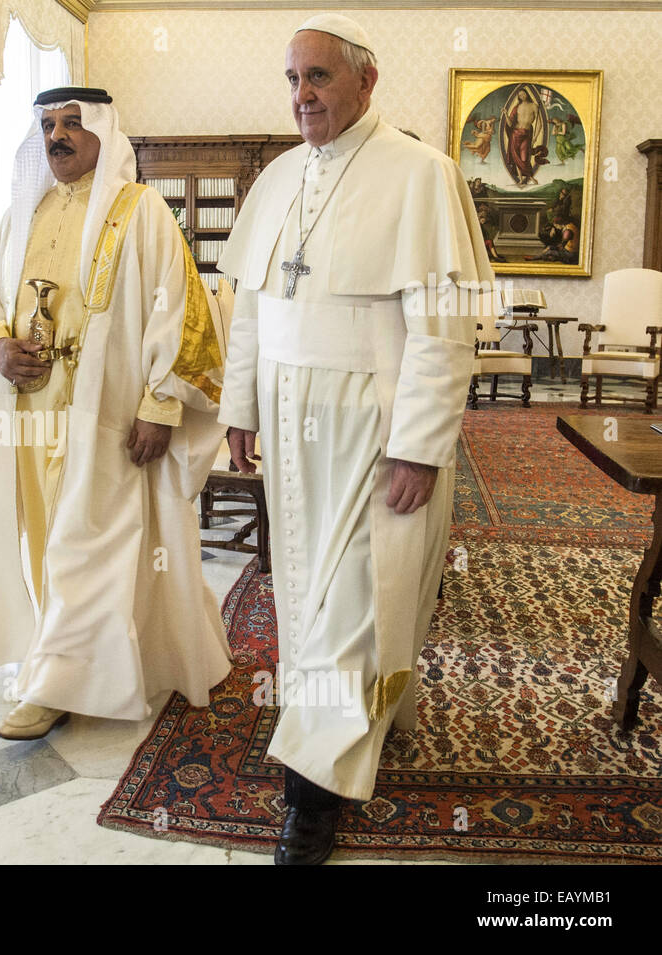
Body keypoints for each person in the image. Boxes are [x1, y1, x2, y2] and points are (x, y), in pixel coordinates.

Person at [217, 14, 492, 864]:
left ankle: (312, 792)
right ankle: (344, 719)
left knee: (357, 594)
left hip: (372, 423)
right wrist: (241, 406)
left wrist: (419, 443)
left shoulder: (422, 174)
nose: (302, 95)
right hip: (291, 421)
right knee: (307, 596)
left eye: (320, 78)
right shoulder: (277, 176)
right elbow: (255, 304)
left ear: (367, 82)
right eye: (293, 79)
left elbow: (444, 327)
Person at [0, 87, 230, 740]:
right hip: (32, 414)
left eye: (73, 123)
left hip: (107, 416)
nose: (57, 136)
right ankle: (94, 656)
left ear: (104, 132)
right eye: (48, 124)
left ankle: (55, 684)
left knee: (87, 544)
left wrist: (161, 404)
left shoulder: (142, 214)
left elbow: (183, 316)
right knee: (50, 542)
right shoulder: (22, 214)